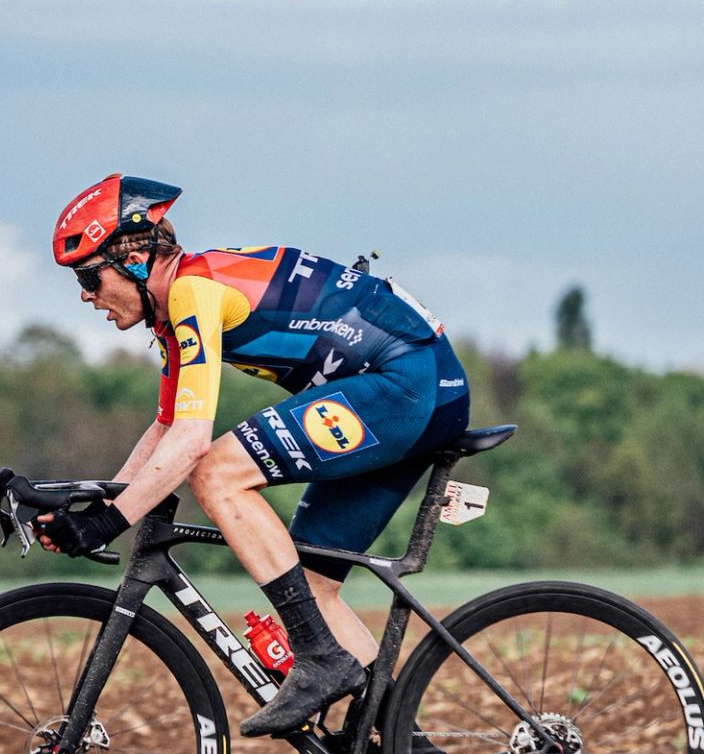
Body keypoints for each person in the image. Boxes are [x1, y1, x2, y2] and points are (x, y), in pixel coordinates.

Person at [35, 175, 471, 738]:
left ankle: (319, 657)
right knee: (313, 588)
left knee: (217, 473)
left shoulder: (194, 291)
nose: (84, 294)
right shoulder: (176, 310)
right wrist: (94, 500)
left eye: (89, 276)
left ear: (137, 259)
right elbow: (167, 427)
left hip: (407, 384)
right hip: (413, 390)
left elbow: (191, 446)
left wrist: (106, 524)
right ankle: (404, 743)